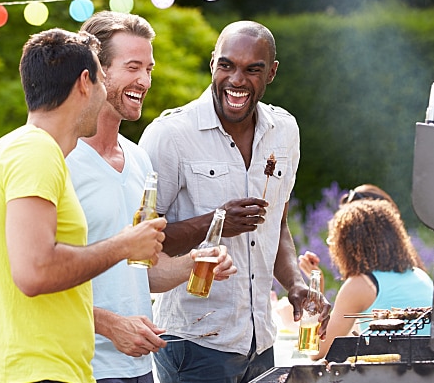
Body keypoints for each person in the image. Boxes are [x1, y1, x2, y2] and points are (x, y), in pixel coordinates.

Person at [138, 20, 331, 382]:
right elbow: (142, 244)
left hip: (261, 342)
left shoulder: (285, 131)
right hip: (193, 344)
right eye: (227, 65)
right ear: (213, 64)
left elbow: (278, 226)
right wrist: (216, 223)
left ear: (271, 72)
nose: (237, 80)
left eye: (252, 70)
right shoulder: (170, 135)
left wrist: (295, 285)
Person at [0, 28, 166, 383]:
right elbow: (35, 271)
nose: (105, 93)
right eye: (102, 82)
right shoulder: (36, 152)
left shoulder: (18, 149)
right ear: (84, 83)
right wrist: (124, 245)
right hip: (36, 371)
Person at [65, 12, 237, 383]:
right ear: (95, 70)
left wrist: (195, 262)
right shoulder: (60, 159)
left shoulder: (140, 160)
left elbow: (146, 272)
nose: (145, 81)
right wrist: (110, 325)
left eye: (149, 68)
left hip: (140, 368)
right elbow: (39, 277)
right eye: (132, 67)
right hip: (81, 368)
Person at [299, 199, 434, 360]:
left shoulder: (361, 285)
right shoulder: (419, 275)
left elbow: (317, 351)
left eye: (333, 242)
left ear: (347, 246)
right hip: (430, 369)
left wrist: (316, 286)